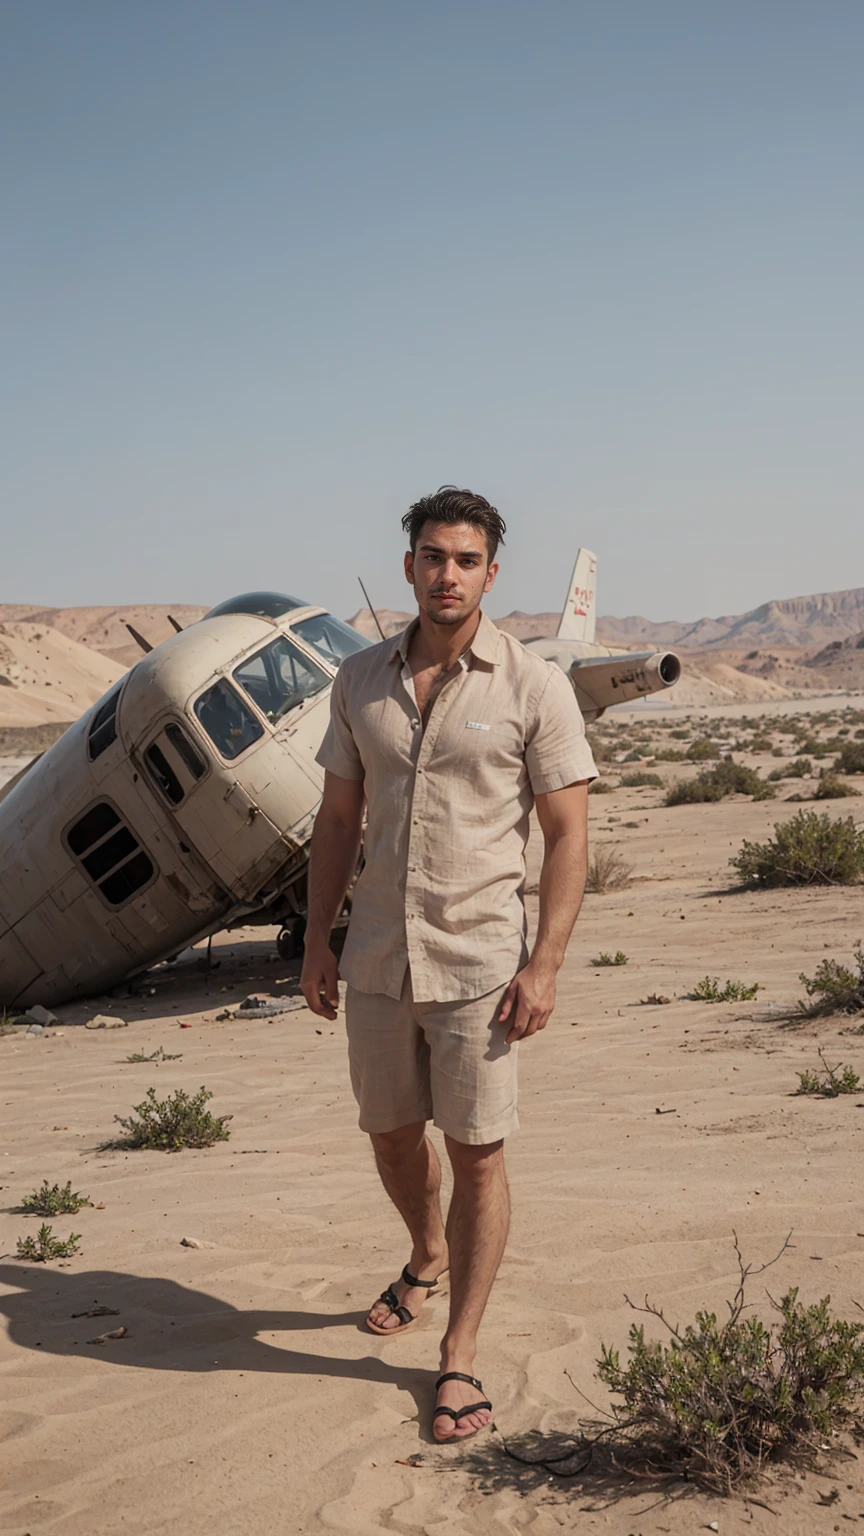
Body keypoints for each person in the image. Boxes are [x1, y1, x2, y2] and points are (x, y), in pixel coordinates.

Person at [300, 486, 596, 1442]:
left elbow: (568, 837)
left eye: (466, 560)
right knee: (390, 1136)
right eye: (433, 557)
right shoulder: (359, 682)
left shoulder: (533, 685)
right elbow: (339, 818)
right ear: (410, 567)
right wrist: (318, 938)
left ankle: (457, 1354)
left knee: (478, 1156)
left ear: (491, 574)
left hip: (479, 965)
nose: (448, 574)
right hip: (380, 955)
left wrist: (544, 963)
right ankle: (424, 1253)